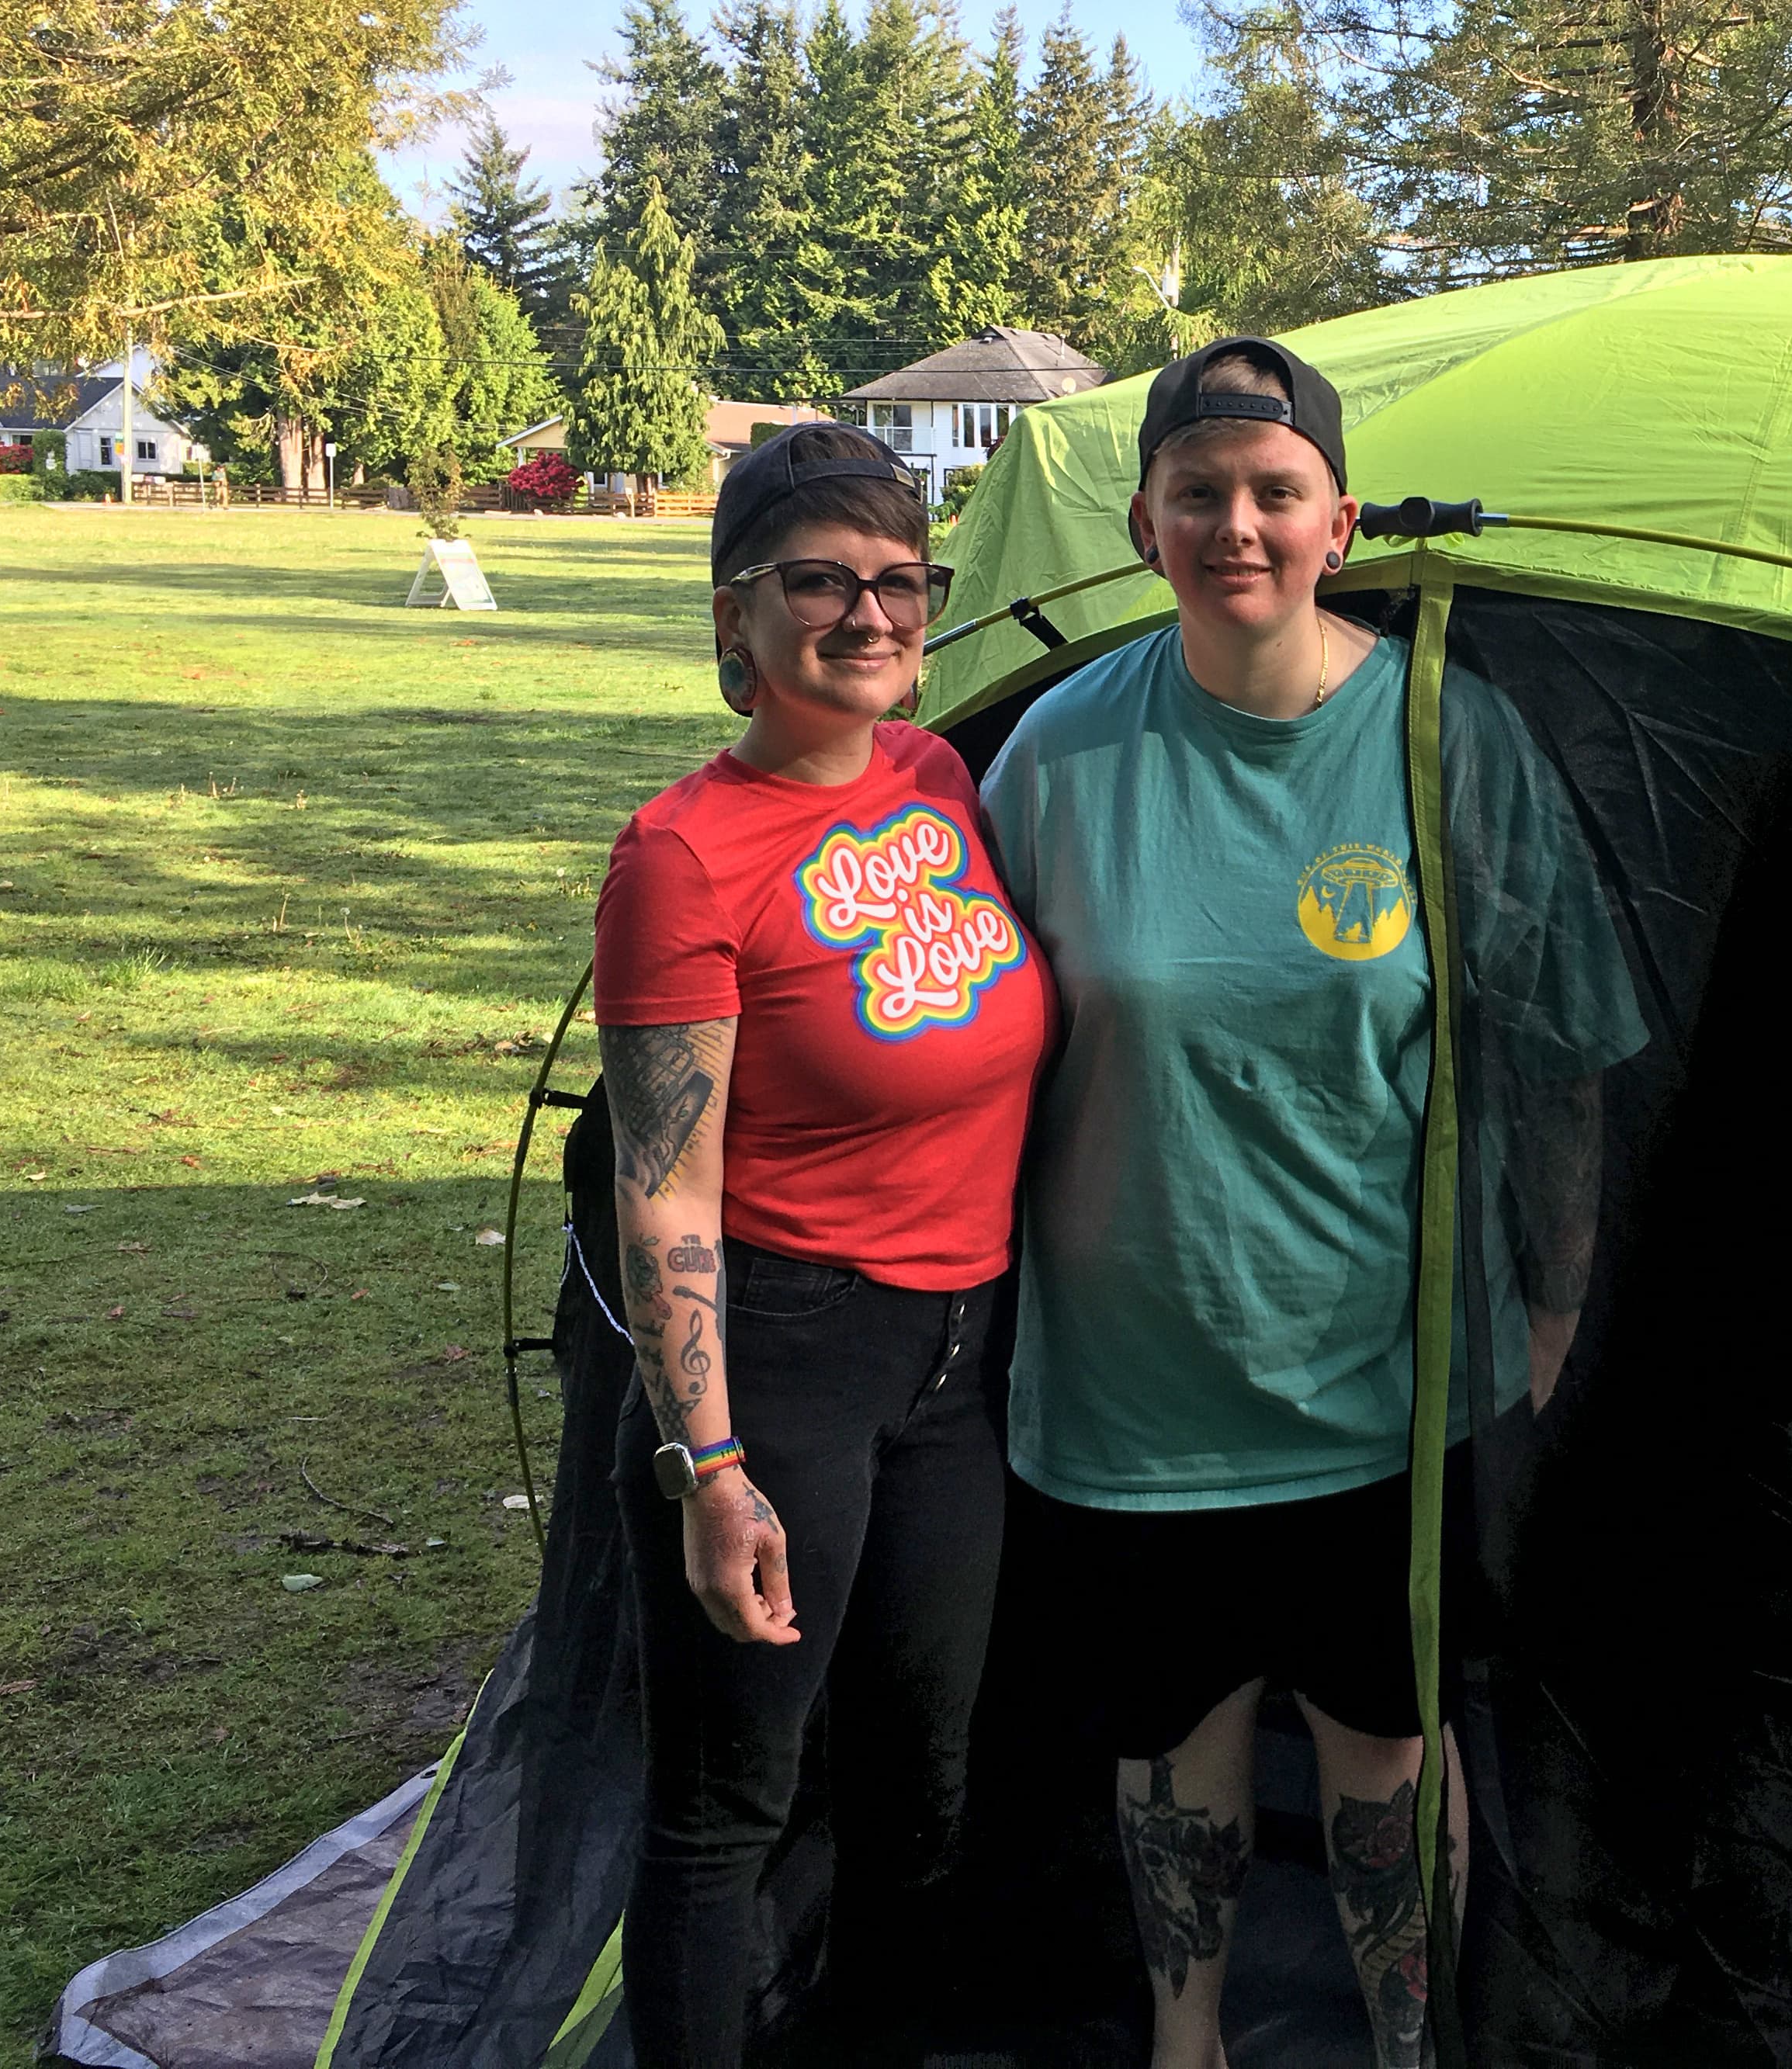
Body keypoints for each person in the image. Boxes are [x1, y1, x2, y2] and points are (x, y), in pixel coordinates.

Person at [981, 340, 1646, 2067]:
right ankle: (1182, 2038)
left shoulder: (1443, 736)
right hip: (1136, 1382)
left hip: (1391, 1381)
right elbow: (951, 1039)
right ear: (1142, 524)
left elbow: (1561, 1048)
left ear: (1339, 520)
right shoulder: (1056, 755)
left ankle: (1408, 2045)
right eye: (1199, 493)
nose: (1238, 525)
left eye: (1276, 491)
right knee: (1171, 1744)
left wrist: (1555, 1295)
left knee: (1392, 1752)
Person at [591, 423, 1053, 2067]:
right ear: (735, 620)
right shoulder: (681, 856)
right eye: (820, 579)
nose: (870, 613)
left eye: (901, 580)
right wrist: (708, 1464)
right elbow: (665, 1182)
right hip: (785, 1357)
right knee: (732, 1797)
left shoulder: (938, 779)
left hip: (961, 1357)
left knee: (922, 1777)